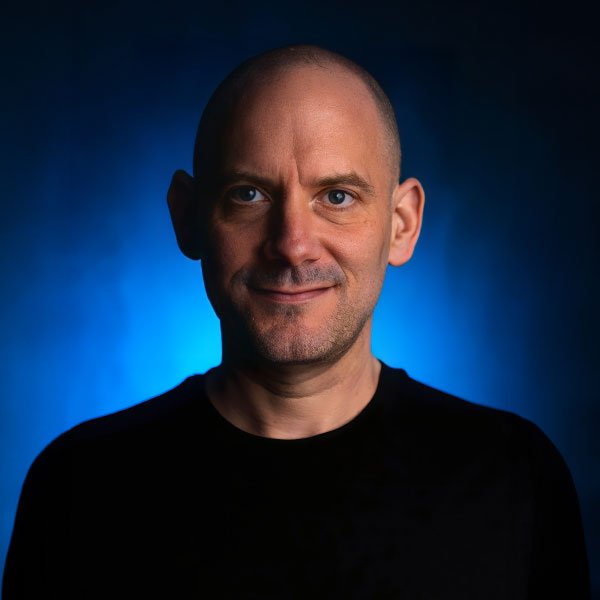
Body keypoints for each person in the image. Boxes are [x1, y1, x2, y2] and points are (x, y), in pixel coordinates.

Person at [3, 45, 590, 599]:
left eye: (336, 197)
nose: (292, 244)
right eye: (249, 194)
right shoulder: (78, 485)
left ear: (401, 224)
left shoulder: (516, 476)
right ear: (188, 219)